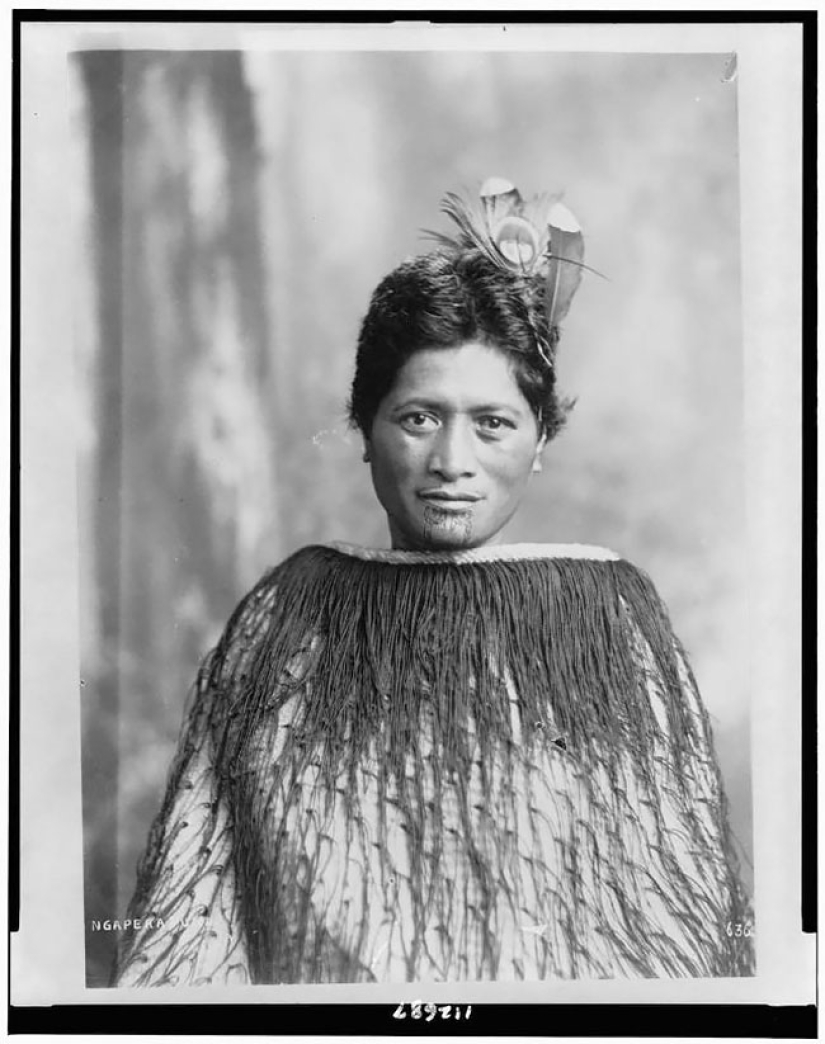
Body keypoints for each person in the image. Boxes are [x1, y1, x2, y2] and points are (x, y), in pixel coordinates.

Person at [111, 178, 754, 986]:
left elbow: (665, 916)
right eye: (419, 418)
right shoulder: (286, 620)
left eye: (493, 423)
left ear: (540, 440)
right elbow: (199, 904)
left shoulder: (605, 626)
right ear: (364, 428)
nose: (452, 462)